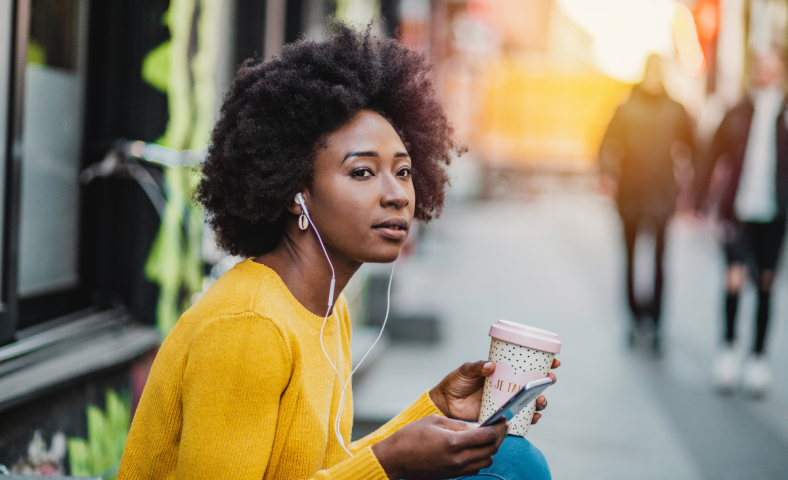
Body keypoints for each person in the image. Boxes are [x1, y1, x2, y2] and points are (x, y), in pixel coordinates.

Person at [117, 24, 559, 480]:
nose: (397, 195)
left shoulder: (328, 308)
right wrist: (389, 463)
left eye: (404, 171)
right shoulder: (249, 327)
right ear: (296, 190)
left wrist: (436, 407)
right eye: (363, 172)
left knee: (511, 458)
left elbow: (320, 469)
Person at [696, 48, 788, 396]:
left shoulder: (785, 113)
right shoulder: (737, 110)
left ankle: (759, 359)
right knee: (733, 279)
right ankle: (728, 350)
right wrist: (704, 198)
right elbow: (712, 152)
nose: (764, 72)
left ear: (780, 71)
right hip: (738, 210)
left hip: (775, 212)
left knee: (766, 282)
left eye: (771, 66)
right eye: (759, 66)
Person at [599, 55, 696, 353]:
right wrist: (607, 173)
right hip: (630, 193)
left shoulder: (676, 109)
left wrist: (688, 179)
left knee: (659, 261)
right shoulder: (627, 107)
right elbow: (606, 144)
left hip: (662, 194)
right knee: (629, 258)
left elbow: (692, 147)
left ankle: (655, 322)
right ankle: (632, 318)